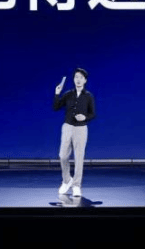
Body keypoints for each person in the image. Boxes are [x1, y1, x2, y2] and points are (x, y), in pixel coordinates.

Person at [53, 67, 95, 197]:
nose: (78, 80)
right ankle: (67, 180)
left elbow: (92, 114)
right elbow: (56, 107)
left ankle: (76, 185)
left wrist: (85, 117)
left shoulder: (88, 96)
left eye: (81, 77)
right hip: (67, 127)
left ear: (85, 80)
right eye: (76, 77)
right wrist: (57, 93)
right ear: (73, 79)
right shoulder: (68, 94)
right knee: (63, 155)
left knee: (79, 157)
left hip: (81, 128)